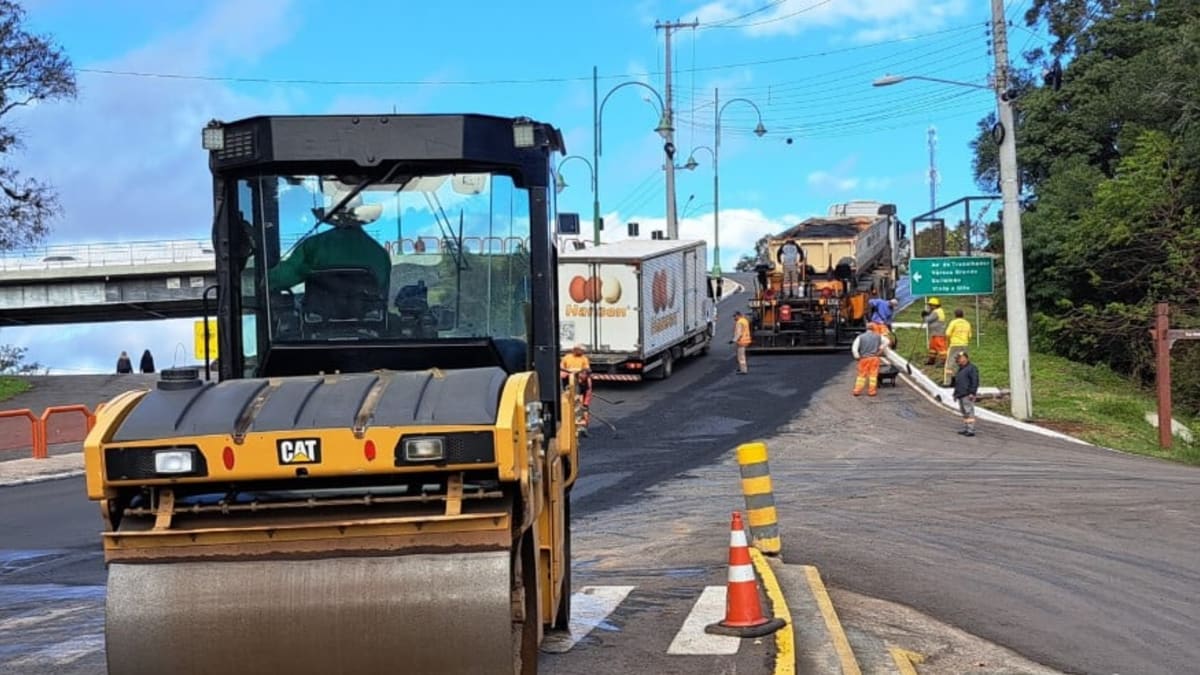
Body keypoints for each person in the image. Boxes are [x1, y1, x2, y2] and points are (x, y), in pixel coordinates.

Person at [267, 191, 391, 296]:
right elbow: (382, 294)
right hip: (370, 321)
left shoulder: (313, 245)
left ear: (333, 217)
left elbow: (280, 278)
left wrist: (266, 277)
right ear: (362, 217)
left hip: (317, 320)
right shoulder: (380, 254)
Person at [560, 344, 593, 433]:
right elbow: (562, 369)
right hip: (569, 384)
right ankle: (570, 426)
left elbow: (587, 370)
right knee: (570, 405)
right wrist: (564, 373)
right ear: (574, 350)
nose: (581, 352)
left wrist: (586, 403)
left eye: (582, 351)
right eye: (579, 350)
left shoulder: (584, 359)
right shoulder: (567, 358)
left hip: (580, 386)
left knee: (583, 407)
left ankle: (583, 427)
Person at [850, 322, 889, 397]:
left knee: (861, 375)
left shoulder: (860, 337)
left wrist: (857, 356)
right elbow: (887, 341)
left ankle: (857, 391)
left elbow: (854, 348)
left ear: (866, 328)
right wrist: (880, 350)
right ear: (874, 328)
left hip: (864, 359)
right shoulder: (878, 336)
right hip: (874, 358)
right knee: (873, 375)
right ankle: (871, 391)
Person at [951, 350, 979, 436]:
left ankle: (971, 430)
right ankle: (967, 428)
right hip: (960, 394)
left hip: (967, 394)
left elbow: (975, 381)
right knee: (964, 412)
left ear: (965, 358)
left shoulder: (971, 368)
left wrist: (972, 392)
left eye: (960, 358)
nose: (958, 360)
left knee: (969, 412)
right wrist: (955, 394)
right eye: (958, 359)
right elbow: (958, 383)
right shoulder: (961, 369)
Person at [943, 308, 972, 386]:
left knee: (950, 363)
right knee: (963, 363)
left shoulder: (954, 322)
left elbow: (947, 333)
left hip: (955, 345)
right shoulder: (967, 323)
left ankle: (948, 382)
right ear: (963, 315)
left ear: (955, 315)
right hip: (964, 345)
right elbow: (970, 335)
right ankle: (964, 381)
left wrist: (949, 340)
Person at [921, 297, 947, 365]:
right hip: (935, 332)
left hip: (938, 333)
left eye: (930, 305)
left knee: (941, 347)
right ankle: (931, 360)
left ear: (934, 305)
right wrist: (928, 313)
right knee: (932, 348)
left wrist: (924, 316)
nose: (929, 306)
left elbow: (928, 320)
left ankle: (944, 361)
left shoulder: (936, 312)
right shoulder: (939, 310)